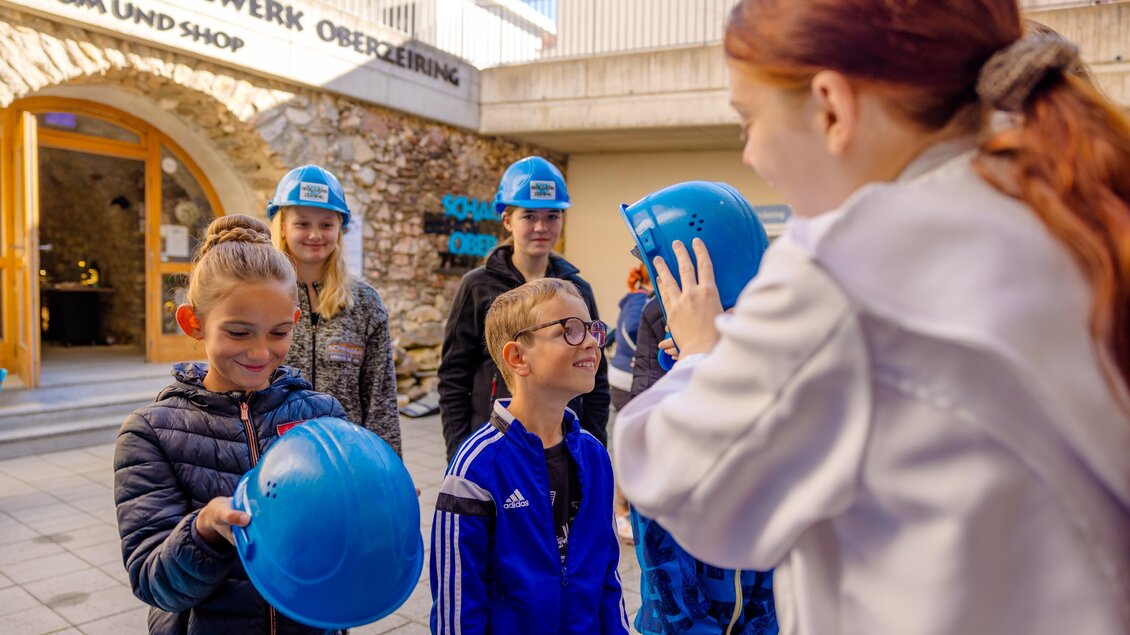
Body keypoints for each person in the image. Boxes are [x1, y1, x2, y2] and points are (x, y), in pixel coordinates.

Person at [614, 2, 1130, 633]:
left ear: (831, 107)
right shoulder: (1075, 221)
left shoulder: (846, 268)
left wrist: (699, 356)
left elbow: (673, 477)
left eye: (750, 120)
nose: (751, 155)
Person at [114, 215, 348, 634]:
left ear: (295, 320)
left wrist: (374, 506)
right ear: (194, 323)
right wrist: (204, 531)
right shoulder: (150, 434)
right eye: (239, 333)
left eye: (278, 333)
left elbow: (343, 549)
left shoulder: (323, 416)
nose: (260, 352)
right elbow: (154, 582)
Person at [430, 278, 629, 634]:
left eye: (592, 329)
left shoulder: (595, 456)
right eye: (570, 330)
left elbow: (608, 575)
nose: (590, 342)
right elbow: (456, 603)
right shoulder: (476, 468)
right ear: (518, 357)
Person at [438, 156, 611, 462]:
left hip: (563, 446)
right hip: (498, 447)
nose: (541, 227)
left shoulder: (577, 290)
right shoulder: (477, 287)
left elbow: (597, 379)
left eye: (553, 216)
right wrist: (459, 453)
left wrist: (594, 451)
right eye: (529, 216)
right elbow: (454, 378)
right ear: (507, 220)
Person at [267, 165, 401, 455]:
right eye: (303, 224)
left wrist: (388, 465)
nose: (315, 234)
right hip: (274, 457)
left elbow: (381, 400)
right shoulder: (262, 296)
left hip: (347, 458)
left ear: (340, 229)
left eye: (326, 225)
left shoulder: (365, 302)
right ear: (282, 227)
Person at [609, 265, 652, 409]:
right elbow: (630, 328)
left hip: (620, 373)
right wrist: (642, 354)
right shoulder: (641, 299)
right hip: (627, 376)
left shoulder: (635, 297)